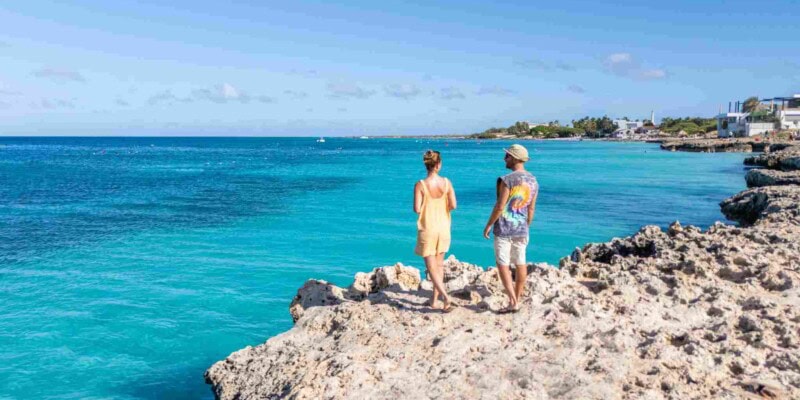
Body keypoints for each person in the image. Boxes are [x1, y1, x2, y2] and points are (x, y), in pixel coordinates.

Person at [483, 144, 539, 313]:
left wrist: (488, 225)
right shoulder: (534, 181)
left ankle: (513, 301)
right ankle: (517, 297)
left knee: (503, 264)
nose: (504, 158)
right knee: (521, 263)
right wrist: (526, 225)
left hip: (504, 229)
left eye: (507, 156)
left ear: (514, 158)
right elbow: (531, 209)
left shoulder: (507, 180)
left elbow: (500, 206)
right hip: (522, 228)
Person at [414, 150, 457, 312]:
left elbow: (417, 209)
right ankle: (433, 299)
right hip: (444, 227)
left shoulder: (420, 185)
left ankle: (446, 298)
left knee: (431, 267)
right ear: (439, 165)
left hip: (428, 228)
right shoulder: (447, 183)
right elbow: (453, 205)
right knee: (439, 266)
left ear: (426, 165)